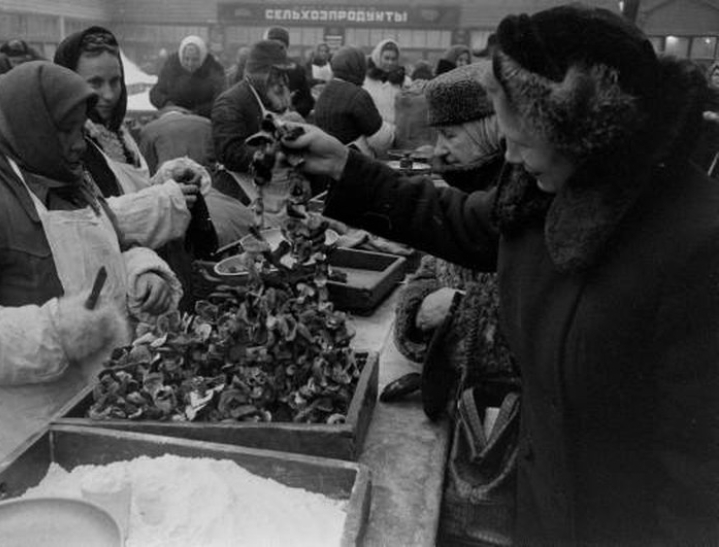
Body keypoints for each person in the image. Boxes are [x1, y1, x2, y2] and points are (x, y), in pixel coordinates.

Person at [285, 5, 719, 544]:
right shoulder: (543, 192)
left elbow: (700, 483)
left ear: (583, 131)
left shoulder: (695, 243)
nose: (509, 153)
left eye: (524, 138)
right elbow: (454, 219)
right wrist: (343, 168)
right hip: (541, 516)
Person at [0, 61, 181, 483]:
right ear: (28, 126)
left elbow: (115, 245)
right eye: (65, 130)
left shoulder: (71, 181)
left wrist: (144, 272)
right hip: (24, 430)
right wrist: (57, 330)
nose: (78, 144)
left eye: (81, 129)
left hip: (96, 403)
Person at [55, 26, 216, 309]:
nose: (109, 95)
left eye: (115, 82)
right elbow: (90, 224)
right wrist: (164, 199)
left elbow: (126, 191)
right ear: (67, 82)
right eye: (95, 83)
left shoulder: (116, 131)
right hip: (112, 290)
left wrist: (165, 179)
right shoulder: (67, 146)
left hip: (150, 274)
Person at [394, 61, 504, 363]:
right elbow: (430, 269)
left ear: (492, 127)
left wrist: (461, 312)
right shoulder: (466, 190)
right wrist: (418, 310)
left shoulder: (519, 204)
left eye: (450, 135)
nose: (438, 150)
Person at [208, 39, 316, 247]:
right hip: (241, 195)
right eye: (275, 74)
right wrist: (277, 152)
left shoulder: (271, 97)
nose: (282, 80)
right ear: (257, 72)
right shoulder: (231, 101)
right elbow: (229, 153)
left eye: (283, 74)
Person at [313, 45, 394, 158]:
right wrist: (392, 130)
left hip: (328, 160)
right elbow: (380, 140)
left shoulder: (326, 91)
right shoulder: (357, 96)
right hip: (354, 162)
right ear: (358, 67)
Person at [149, 35, 226, 118]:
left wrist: (196, 112)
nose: (190, 64)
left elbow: (220, 100)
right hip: (173, 117)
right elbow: (156, 92)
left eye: (195, 59)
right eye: (186, 59)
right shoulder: (171, 67)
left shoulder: (214, 69)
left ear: (202, 57)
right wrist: (168, 104)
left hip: (203, 120)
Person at [264, 27, 314, 119]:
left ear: (286, 47)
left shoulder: (297, 70)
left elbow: (307, 100)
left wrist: (295, 112)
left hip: (289, 123)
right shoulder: (256, 69)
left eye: (280, 46)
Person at [0, 40, 44, 110]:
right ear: (7, 60)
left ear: (27, 59)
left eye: (21, 62)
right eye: (14, 62)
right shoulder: (0, 69)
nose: (17, 66)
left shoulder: (39, 67)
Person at [363, 39, 409, 125]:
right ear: (378, 57)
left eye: (394, 59)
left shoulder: (406, 82)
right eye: (386, 58)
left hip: (396, 131)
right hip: (371, 130)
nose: (390, 62)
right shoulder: (365, 80)